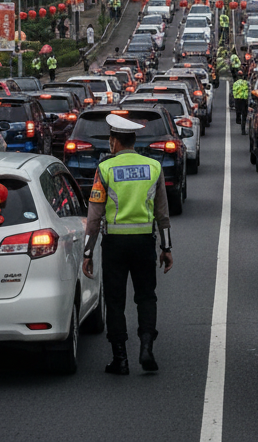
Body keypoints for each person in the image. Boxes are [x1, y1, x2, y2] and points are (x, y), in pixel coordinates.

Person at [82, 113, 173, 375]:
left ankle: (120, 359)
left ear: (114, 142)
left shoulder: (105, 169)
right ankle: (146, 347)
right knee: (146, 297)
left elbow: (94, 216)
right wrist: (166, 248)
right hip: (145, 243)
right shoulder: (153, 167)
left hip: (115, 246)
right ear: (133, 140)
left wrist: (87, 252)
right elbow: (162, 213)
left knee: (115, 301)